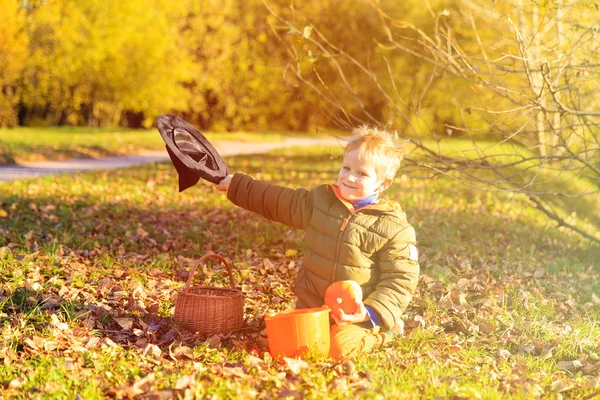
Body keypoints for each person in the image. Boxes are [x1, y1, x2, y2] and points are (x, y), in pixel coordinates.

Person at [215, 126, 420, 358]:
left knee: (339, 348)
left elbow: (401, 279)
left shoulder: (392, 227)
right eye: (346, 167)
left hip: (356, 315)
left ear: (383, 184)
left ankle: (387, 334)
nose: (349, 177)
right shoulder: (321, 202)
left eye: (362, 173)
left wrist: (371, 312)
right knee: (273, 340)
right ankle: (318, 330)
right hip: (313, 307)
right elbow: (277, 200)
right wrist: (238, 186)